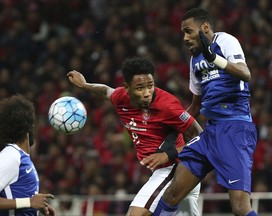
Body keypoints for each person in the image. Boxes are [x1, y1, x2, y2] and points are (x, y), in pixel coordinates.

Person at [154, 7, 258, 216]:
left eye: (188, 31)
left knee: (240, 208)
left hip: (235, 130)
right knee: (170, 195)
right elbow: (195, 106)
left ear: (205, 28)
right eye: (183, 33)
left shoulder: (224, 41)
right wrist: (173, 134)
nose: (184, 38)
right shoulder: (194, 61)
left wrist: (216, 59)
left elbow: (245, 74)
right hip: (209, 133)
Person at [67, 57, 203, 216]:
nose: (146, 93)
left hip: (176, 169)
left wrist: (168, 155)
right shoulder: (121, 98)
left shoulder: (167, 106)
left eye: (150, 86)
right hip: (169, 172)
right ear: (127, 87)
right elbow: (105, 91)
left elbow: (200, 137)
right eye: (140, 88)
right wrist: (85, 85)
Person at [0, 95, 56, 216]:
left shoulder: (21, 157)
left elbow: (16, 194)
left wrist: (36, 207)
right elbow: (26, 202)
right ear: (29, 126)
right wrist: (29, 202)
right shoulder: (11, 156)